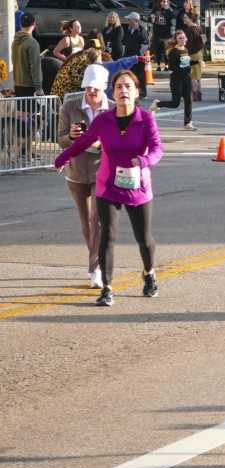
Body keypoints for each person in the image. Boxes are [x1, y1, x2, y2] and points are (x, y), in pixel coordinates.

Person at [53, 70, 163, 307]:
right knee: (107, 236)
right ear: (113, 92)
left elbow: (157, 150)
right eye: (119, 87)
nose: (123, 91)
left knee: (144, 238)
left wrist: (144, 161)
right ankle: (107, 288)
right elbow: (82, 142)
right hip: (108, 184)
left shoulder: (146, 119)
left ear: (136, 92)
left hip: (137, 185)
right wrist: (62, 158)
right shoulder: (103, 121)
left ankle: (149, 272)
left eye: (128, 86)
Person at [57, 64, 113, 289]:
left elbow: (121, 141)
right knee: (86, 223)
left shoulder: (113, 109)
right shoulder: (70, 106)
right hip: (76, 172)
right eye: (88, 87)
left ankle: (95, 269)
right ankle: (95, 261)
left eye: (96, 88)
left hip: (102, 171)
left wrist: (102, 143)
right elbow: (60, 139)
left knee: (96, 220)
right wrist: (71, 137)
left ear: (104, 87)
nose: (91, 92)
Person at [155, 30, 196, 130]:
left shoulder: (185, 50)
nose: (183, 39)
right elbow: (172, 67)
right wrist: (185, 69)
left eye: (184, 37)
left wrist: (197, 62)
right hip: (177, 79)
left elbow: (186, 63)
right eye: (180, 38)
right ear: (176, 40)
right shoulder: (174, 51)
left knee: (189, 100)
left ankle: (188, 123)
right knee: (175, 103)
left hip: (187, 78)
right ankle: (157, 104)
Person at [11, 12, 41, 97]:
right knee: (32, 107)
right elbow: (35, 67)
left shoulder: (15, 42)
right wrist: (39, 88)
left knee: (21, 106)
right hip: (29, 86)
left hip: (17, 84)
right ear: (34, 24)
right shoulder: (32, 43)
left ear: (21, 24)